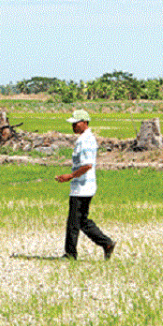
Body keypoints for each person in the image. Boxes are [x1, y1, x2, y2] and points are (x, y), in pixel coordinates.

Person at [55, 109, 116, 260]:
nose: (73, 126)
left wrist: (70, 176)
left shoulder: (85, 140)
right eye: (73, 123)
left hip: (81, 188)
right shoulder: (85, 138)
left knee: (73, 223)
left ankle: (70, 254)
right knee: (82, 221)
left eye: (76, 123)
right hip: (84, 186)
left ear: (84, 122)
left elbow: (87, 165)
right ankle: (106, 243)